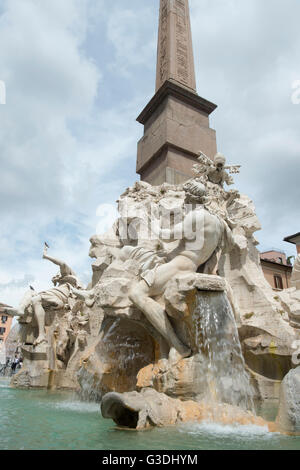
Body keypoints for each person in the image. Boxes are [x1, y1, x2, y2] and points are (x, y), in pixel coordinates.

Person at [129, 180, 235, 365]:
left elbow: (167, 235)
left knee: (136, 294)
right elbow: (229, 245)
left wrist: (151, 220)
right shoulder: (219, 223)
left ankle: (178, 345)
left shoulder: (196, 216)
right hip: (193, 265)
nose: (185, 199)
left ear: (192, 197)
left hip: (179, 265)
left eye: (186, 196)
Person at [5, 244, 83, 346]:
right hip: (50, 299)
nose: (55, 277)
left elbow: (62, 263)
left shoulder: (69, 277)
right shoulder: (58, 285)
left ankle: (41, 333)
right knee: (31, 294)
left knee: (36, 298)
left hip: (59, 300)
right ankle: (21, 309)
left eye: (56, 275)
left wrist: (46, 256)